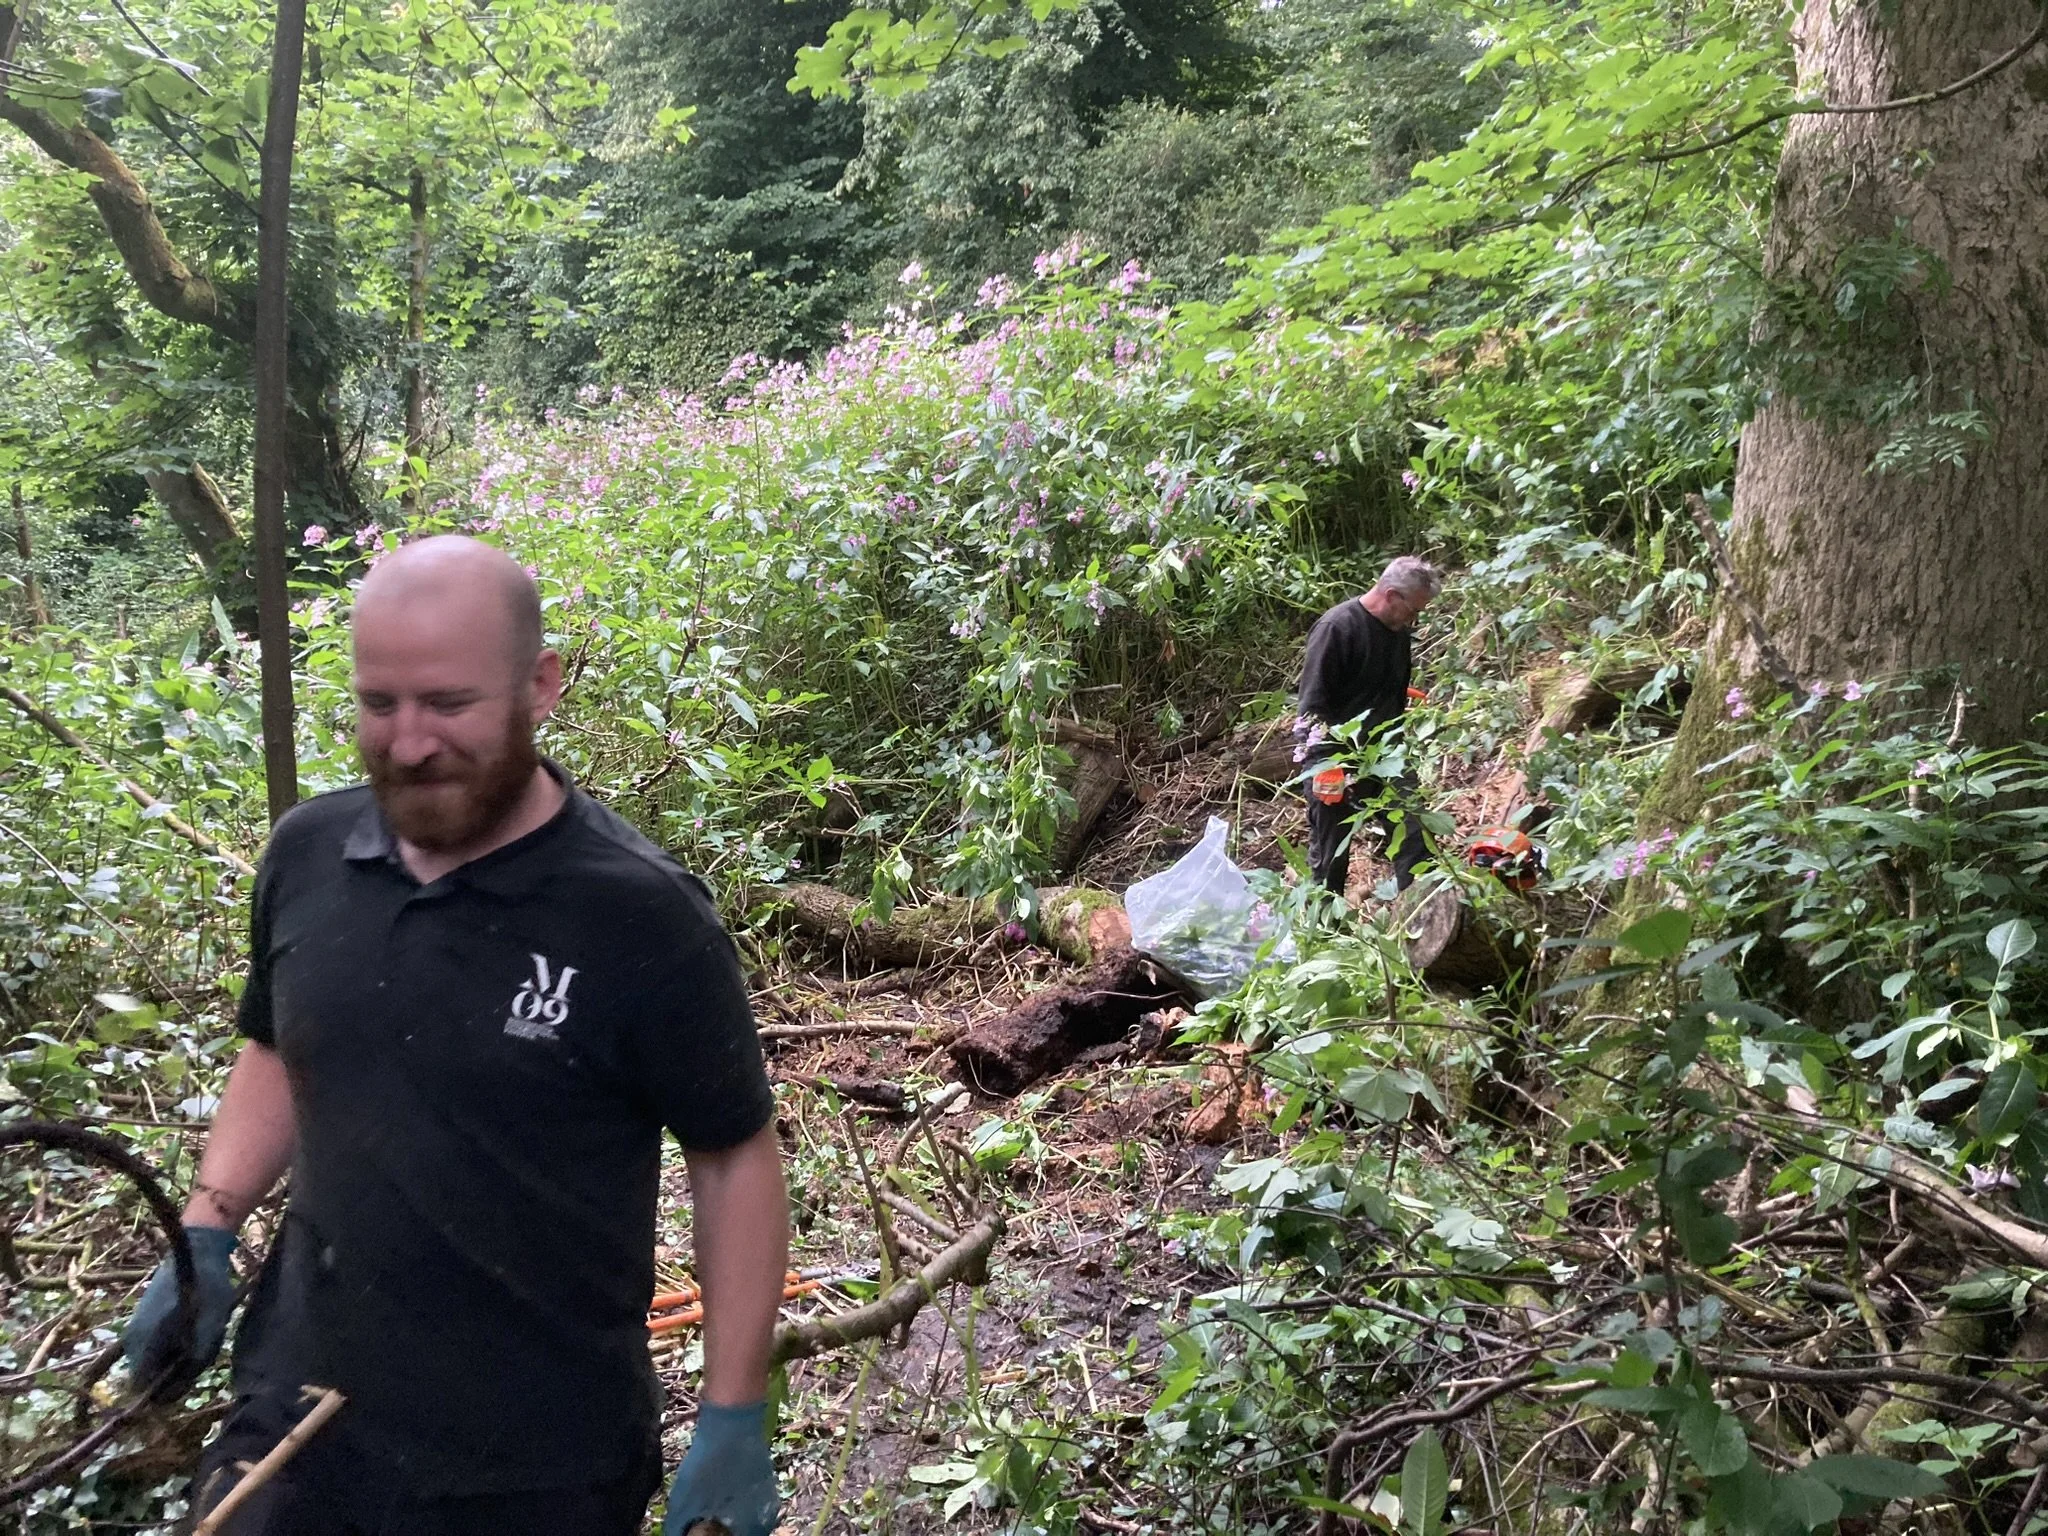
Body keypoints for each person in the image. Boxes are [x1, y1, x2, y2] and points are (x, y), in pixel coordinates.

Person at [121, 536, 789, 1536]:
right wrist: (207, 1228)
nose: (408, 743)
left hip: (537, 1461)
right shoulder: (307, 856)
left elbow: (733, 1158)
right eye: (379, 703)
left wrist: (733, 1411)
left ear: (540, 686)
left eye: (447, 703)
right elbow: (277, 1048)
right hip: (298, 1416)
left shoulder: (640, 916)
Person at [1294, 555, 1444, 897]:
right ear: (1391, 595)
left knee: (1414, 834)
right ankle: (1325, 924)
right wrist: (1324, 765)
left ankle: (1423, 911)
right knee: (1331, 858)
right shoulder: (1337, 628)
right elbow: (1311, 707)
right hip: (1335, 757)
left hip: (1386, 754)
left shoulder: (1398, 633)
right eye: (1413, 611)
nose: (1414, 620)